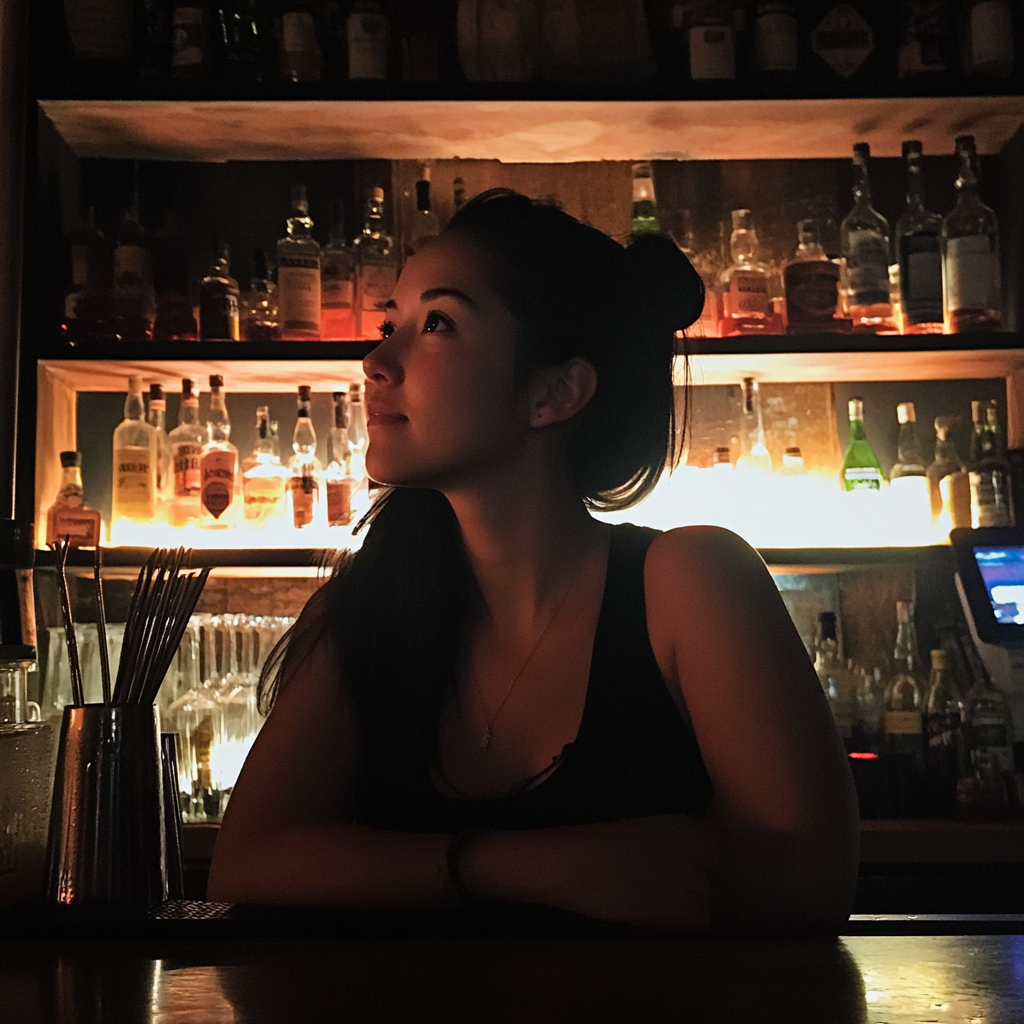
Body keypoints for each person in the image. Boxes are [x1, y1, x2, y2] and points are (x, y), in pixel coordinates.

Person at [208, 189, 859, 931]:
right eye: (392, 324)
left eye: (438, 325)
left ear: (555, 392)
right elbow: (247, 863)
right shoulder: (364, 612)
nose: (375, 360)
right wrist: (537, 866)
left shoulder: (691, 583)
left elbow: (810, 883)